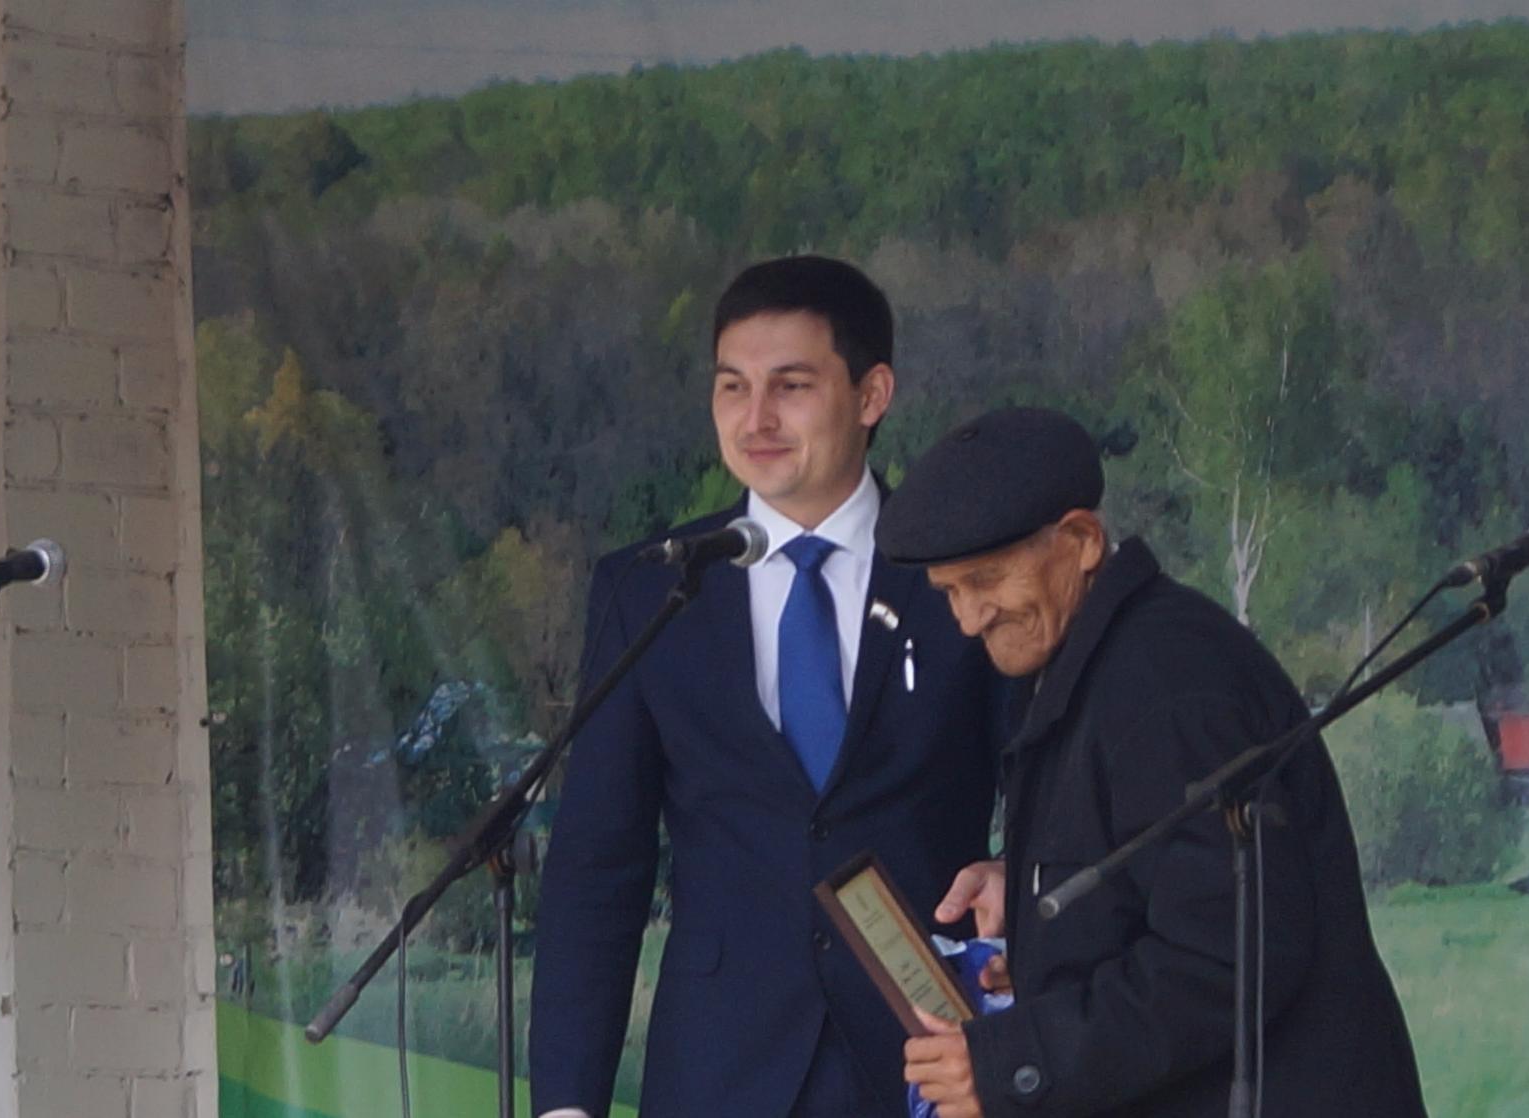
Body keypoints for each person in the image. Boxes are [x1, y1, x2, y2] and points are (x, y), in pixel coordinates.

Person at [529, 256, 1008, 1118]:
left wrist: (1013, 877)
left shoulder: (958, 573)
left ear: (872, 394)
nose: (755, 420)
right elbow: (599, 863)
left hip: (927, 1062)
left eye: (790, 386)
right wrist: (567, 1104)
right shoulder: (650, 589)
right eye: (732, 388)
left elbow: (1054, 784)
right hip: (719, 1071)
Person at [878, 407, 1428, 1118]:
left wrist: (1013, 1062)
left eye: (986, 580)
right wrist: (1037, 906)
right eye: (950, 591)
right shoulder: (1094, 660)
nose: (968, 618)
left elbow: (1227, 955)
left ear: (1081, 542)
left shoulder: (1172, 686)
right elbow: (1155, 878)